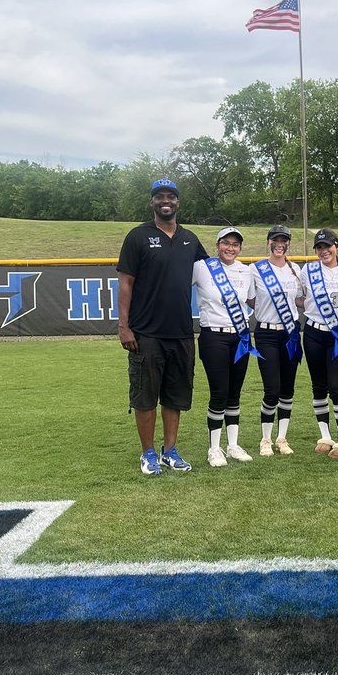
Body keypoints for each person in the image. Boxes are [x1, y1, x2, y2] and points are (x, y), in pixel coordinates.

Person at [116, 179, 207, 475]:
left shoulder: (190, 239)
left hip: (181, 331)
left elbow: (213, 275)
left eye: (170, 196)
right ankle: (148, 453)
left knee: (175, 395)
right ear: (152, 202)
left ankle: (170, 450)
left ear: (178, 202)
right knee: (145, 396)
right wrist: (123, 326)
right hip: (146, 332)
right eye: (159, 197)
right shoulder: (138, 236)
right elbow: (125, 283)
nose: (165, 201)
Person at [192, 227, 257, 467]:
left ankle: (232, 445)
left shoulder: (245, 271)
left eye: (235, 244)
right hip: (213, 337)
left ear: (240, 248)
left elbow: (252, 300)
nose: (230, 248)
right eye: (226, 243)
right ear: (217, 244)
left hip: (240, 337)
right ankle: (214, 448)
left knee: (234, 393)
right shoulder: (202, 268)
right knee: (219, 392)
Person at [299, 228, 338, 458]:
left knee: (336, 385)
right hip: (314, 333)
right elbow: (300, 296)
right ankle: (325, 435)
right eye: (319, 247)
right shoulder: (309, 270)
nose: (324, 251)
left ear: (336, 246)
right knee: (318, 385)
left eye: (328, 246)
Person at [251, 225, 304, 456]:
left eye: (284, 240)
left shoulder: (296, 270)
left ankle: (282, 438)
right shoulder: (256, 269)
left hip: (290, 333)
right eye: (275, 240)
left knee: (287, 389)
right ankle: (265, 439)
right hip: (266, 333)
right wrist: (266, 310)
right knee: (272, 388)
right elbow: (250, 299)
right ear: (268, 242)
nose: (279, 244)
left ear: (288, 244)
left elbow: (301, 300)